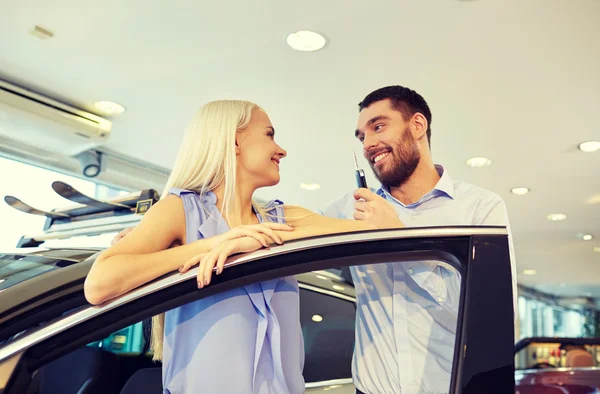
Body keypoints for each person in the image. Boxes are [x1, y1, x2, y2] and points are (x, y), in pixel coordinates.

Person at [84, 100, 397, 394]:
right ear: (234, 142)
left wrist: (252, 241)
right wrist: (214, 245)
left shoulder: (284, 219)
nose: (282, 150)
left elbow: (375, 236)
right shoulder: (180, 211)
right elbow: (99, 285)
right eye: (269, 135)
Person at [319, 85, 517, 394]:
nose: (368, 143)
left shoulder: (480, 207)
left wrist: (396, 235)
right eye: (361, 136)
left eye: (378, 127)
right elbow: (285, 227)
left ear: (417, 125)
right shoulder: (351, 208)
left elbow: (487, 318)